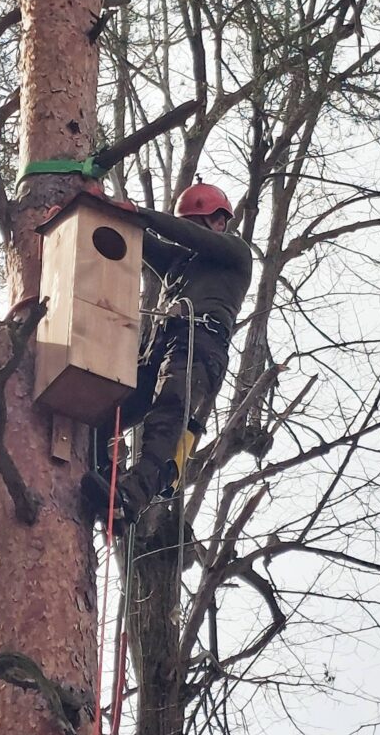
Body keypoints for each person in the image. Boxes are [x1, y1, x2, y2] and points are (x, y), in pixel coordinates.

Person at [81, 179, 253, 526]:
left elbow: (183, 235)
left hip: (200, 344)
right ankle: (103, 475)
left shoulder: (234, 254)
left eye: (201, 223)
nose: (194, 231)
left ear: (220, 223)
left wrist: (142, 213)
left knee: (168, 414)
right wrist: (104, 209)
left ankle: (131, 495)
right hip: (160, 348)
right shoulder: (179, 262)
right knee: (104, 411)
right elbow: (141, 240)